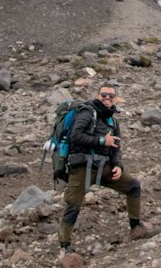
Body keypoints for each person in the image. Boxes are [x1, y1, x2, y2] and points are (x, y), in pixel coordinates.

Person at [58, 84, 155, 248]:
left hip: (104, 167)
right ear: (97, 96)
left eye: (111, 95)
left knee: (133, 186)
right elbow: (76, 136)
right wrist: (102, 140)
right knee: (73, 205)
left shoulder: (113, 121)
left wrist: (118, 165)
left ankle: (136, 228)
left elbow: (116, 147)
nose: (107, 98)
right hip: (82, 167)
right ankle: (64, 246)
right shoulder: (87, 112)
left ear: (115, 98)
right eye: (104, 94)